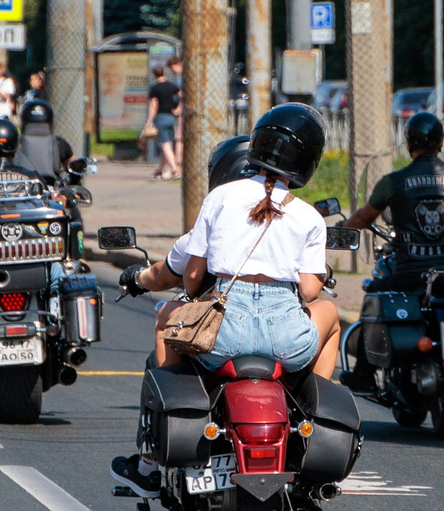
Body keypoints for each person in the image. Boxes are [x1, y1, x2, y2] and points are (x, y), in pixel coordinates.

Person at [119, 104, 340, 375]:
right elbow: (308, 292)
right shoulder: (309, 216)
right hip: (286, 341)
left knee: (166, 317)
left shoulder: (219, 198)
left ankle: (173, 406)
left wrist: (192, 293)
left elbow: (192, 278)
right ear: (308, 160)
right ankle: (315, 406)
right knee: (329, 312)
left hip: (222, 336)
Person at [343, 110, 444, 289]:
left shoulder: (392, 182)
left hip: (409, 276)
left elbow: (363, 219)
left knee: (371, 290)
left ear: (409, 143)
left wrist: (342, 229)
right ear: (442, 141)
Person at [11, 97, 80, 187]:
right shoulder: (59, 143)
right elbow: (73, 166)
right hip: (51, 192)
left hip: (21, 191)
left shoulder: (15, 143)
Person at [145, 60, 183, 179]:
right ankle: (160, 170)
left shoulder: (155, 88)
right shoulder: (172, 86)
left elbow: (153, 106)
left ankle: (174, 170)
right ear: (164, 73)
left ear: (154, 75)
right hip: (171, 117)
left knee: (165, 144)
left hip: (161, 117)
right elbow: (183, 97)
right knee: (166, 144)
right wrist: (178, 108)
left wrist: (149, 122)